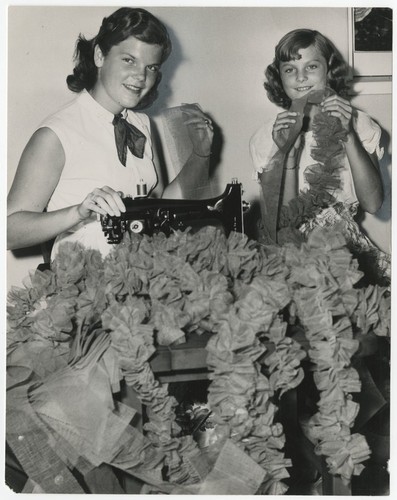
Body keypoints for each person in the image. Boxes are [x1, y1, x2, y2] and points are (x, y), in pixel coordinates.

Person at [7, 7, 214, 258]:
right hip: (84, 283)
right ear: (99, 56)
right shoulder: (56, 134)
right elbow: (8, 231)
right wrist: (78, 213)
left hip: (140, 272)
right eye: (129, 60)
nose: (140, 76)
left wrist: (200, 154)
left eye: (151, 67)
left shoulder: (141, 125)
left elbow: (158, 205)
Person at [249, 28, 384, 248]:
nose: (300, 77)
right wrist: (287, 157)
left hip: (346, 249)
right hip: (293, 249)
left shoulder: (360, 124)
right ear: (279, 77)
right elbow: (281, 223)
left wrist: (348, 134)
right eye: (290, 69)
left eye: (311, 66)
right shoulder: (266, 137)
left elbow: (373, 203)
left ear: (329, 69)